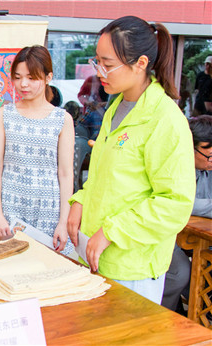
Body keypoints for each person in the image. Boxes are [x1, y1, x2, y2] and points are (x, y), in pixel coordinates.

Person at [67, 16, 196, 304]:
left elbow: (174, 204)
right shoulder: (117, 107)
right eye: (96, 61)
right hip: (99, 256)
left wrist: (113, 231)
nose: (100, 71)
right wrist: (80, 200)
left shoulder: (165, 120)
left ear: (140, 63)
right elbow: (106, 177)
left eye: (108, 64)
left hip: (133, 266)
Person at [0, 45, 75, 255]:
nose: (23, 84)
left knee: (44, 275)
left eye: (31, 78)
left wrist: (63, 221)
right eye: (17, 77)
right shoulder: (4, 114)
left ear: (48, 77)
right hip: (9, 209)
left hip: (48, 213)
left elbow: (66, 174)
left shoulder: (62, 119)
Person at [162, 115, 212, 312]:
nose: (211, 161)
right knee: (180, 273)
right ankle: (165, 316)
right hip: (166, 232)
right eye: (208, 155)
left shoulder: (207, 166)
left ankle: (199, 313)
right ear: (190, 147)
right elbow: (181, 202)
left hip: (196, 234)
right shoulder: (172, 165)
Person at [77, 74, 109, 139]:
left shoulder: (92, 112)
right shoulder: (91, 80)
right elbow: (81, 95)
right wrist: (88, 103)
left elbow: (81, 124)